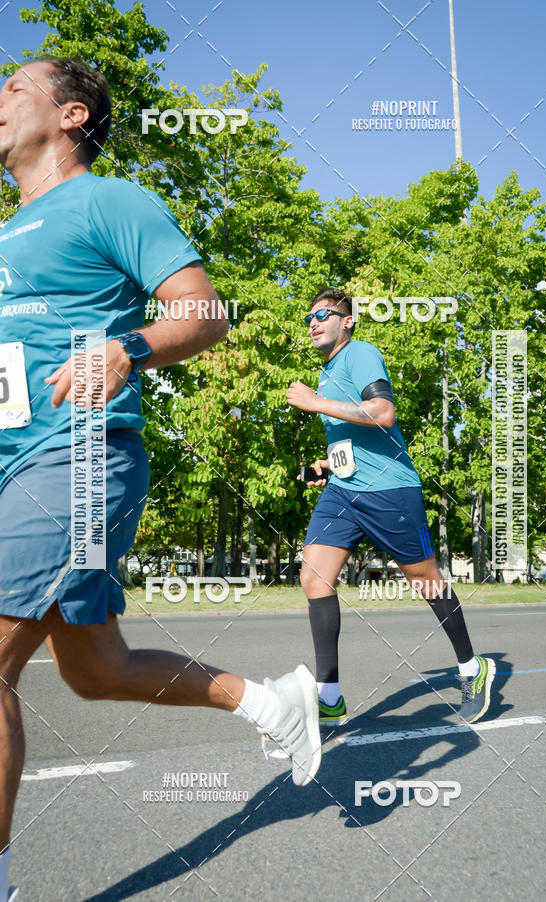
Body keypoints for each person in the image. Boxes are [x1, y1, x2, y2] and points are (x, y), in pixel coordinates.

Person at [0, 57, 320, 902]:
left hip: (77, 455)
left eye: (12, 88)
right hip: (16, 465)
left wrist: (125, 347)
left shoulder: (109, 201)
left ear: (72, 117)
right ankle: (270, 703)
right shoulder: (9, 228)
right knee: (94, 670)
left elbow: (204, 311)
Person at [287, 287, 495, 728]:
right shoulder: (328, 371)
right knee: (314, 576)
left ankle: (473, 671)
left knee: (426, 582)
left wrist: (314, 403)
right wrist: (329, 463)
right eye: (310, 316)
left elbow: (383, 413)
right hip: (344, 492)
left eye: (324, 314)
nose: (314, 321)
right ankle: (330, 698)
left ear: (348, 321)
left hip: (389, 493)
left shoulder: (360, 352)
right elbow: (356, 435)